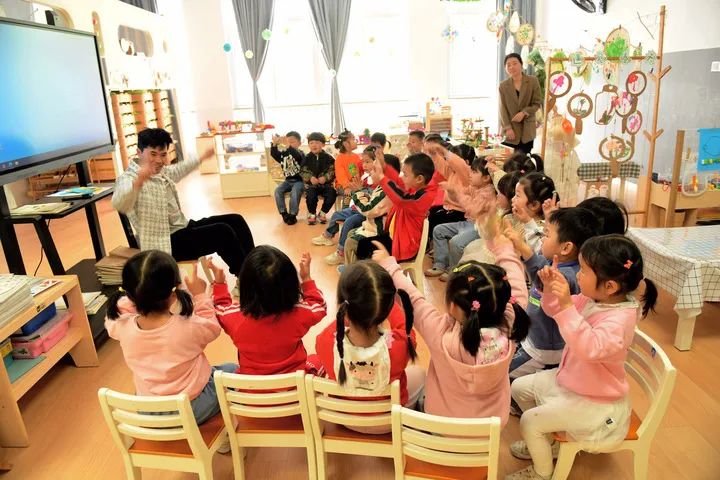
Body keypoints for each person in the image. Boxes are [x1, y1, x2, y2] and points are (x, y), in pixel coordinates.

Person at [506, 235, 658, 480]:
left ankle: (542, 473)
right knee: (519, 388)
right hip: (574, 380)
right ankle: (549, 442)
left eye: (584, 270)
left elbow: (589, 348)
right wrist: (550, 291)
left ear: (610, 287)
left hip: (596, 401)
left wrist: (567, 305)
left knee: (529, 422)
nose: (578, 275)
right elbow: (554, 310)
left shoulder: (620, 320)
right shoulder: (594, 299)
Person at [373, 217, 530, 425]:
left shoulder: (440, 333)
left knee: (418, 385)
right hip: (490, 426)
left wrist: (388, 264)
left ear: (454, 306)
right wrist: (504, 248)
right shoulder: (512, 321)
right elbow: (518, 283)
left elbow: (412, 297)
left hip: (441, 423)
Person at [112, 128, 255, 297]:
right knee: (222, 232)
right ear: (139, 152)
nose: (159, 160)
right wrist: (138, 182)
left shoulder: (161, 172)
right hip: (164, 243)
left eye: (163, 155)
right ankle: (248, 283)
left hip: (182, 228)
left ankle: (254, 271)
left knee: (235, 220)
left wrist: (202, 157)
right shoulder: (128, 178)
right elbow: (119, 202)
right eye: (153, 154)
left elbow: (179, 169)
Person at [105, 250, 237, 425]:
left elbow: (120, 309)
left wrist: (139, 294)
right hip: (192, 408)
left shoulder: (120, 325)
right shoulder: (187, 326)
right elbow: (212, 327)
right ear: (174, 292)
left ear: (129, 295)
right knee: (233, 370)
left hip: (148, 409)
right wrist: (200, 295)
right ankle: (226, 429)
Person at [315, 260, 425, 433]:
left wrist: (349, 314)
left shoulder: (326, 343)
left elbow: (332, 329)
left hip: (346, 418)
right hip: (388, 423)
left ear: (343, 306)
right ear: (385, 308)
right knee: (419, 373)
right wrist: (383, 303)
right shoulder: (399, 346)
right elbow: (406, 329)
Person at [504, 208, 601, 384]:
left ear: (566, 248)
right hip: (533, 336)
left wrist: (523, 247)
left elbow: (544, 281)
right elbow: (539, 272)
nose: (542, 239)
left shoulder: (569, 275)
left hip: (543, 348)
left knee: (501, 374)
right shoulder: (554, 263)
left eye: (547, 235)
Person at [210, 246, 326, 375]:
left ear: (245, 286)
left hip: (250, 384)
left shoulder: (234, 317)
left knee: (231, 368)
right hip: (295, 382)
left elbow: (219, 308)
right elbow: (319, 305)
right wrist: (307, 279)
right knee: (318, 360)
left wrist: (220, 284)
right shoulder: (299, 314)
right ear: (291, 285)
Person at [355, 150, 437, 262]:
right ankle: (363, 270)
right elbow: (397, 182)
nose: (402, 177)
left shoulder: (424, 196)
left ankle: (372, 272)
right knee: (363, 245)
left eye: (405, 175)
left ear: (419, 179)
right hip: (395, 237)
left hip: (405, 246)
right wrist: (384, 167)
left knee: (365, 248)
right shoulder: (415, 187)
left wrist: (382, 178)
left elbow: (402, 200)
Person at [425, 153, 496, 281]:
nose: (470, 175)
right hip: (468, 223)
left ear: (486, 178)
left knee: (456, 242)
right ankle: (440, 264)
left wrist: (456, 191)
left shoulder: (488, 192)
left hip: (480, 228)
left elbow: (472, 209)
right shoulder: (475, 186)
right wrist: (452, 189)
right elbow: (462, 193)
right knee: (438, 230)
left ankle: (454, 271)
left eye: (474, 172)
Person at [342, 153, 402, 266]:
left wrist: (357, 192)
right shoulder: (383, 187)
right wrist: (361, 191)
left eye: (374, 170)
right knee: (351, 233)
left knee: (351, 242)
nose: (370, 172)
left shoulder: (387, 191)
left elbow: (368, 209)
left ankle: (354, 271)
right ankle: (354, 266)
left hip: (379, 231)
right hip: (373, 226)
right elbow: (373, 202)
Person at [499, 53, 543, 154]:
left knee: (525, 159)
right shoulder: (503, 86)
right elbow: (502, 109)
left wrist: (524, 112)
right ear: (505, 68)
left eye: (515, 63)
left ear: (521, 64)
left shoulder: (533, 81)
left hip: (527, 130)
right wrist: (508, 128)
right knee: (510, 160)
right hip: (511, 131)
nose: (511, 67)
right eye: (508, 65)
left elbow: (537, 103)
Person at [511, 172, 557, 255]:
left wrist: (527, 222)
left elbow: (540, 251)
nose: (512, 199)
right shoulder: (519, 220)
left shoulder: (543, 229)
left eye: (517, 195)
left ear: (534, 205)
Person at [271, 131, 305, 225]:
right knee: (278, 191)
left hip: (299, 181)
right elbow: (274, 154)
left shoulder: (301, 154)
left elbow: (296, 156)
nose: (289, 144)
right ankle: (284, 213)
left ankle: (293, 214)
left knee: (295, 192)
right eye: (287, 142)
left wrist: (288, 146)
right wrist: (274, 144)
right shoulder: (284, 154)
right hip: (287, 181)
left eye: (292, 142)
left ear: (299, 143)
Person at [301, 132, 336, 225]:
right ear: (308, 145)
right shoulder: (306, 158)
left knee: (332, 194)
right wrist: (310, 178)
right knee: (310, 195)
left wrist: (325, 177)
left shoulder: (329, 158)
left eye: (317, 142)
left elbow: (332, 170)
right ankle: (312, 213)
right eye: (311, 143)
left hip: (326, 185)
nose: (314, 145)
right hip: (311, 185)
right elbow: (302, 171)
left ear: (323, 144)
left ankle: (323, 212)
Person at [334, 130, 363, 207]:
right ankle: (345, 212)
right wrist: (346, 186)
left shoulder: (356, 157)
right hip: (342, 185)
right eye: (353, 139)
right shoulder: (340, 158)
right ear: (346, 143)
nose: (355, 141)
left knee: (364, 192)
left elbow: (357, 172)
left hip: (354, 184)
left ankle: (360, 211)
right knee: (348, 194)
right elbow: (341, 175)